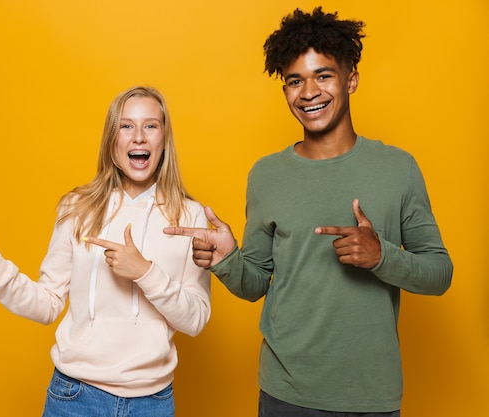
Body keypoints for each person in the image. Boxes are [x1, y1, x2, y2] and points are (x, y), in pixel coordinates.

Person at [164, 7, 452, 416]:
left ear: (350, 79)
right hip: (286, 392)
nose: (308, 92)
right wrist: (228, 259)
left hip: (370, 394)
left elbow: (440, 273)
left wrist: (382, 256)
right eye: (295, 81)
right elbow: (255, 283)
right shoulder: (267, 175)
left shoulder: (398, 168)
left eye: (323, 75)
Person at [0, 86, 211, 417]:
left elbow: (195, 320)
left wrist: (144, 272)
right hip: (74, 397)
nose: (138, 136)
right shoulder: (77, 208)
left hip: (152, 403)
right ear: (112, 140)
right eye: (126, 126)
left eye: (150, 125)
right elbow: (48, 304)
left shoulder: (190, 217)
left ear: (164, 139)